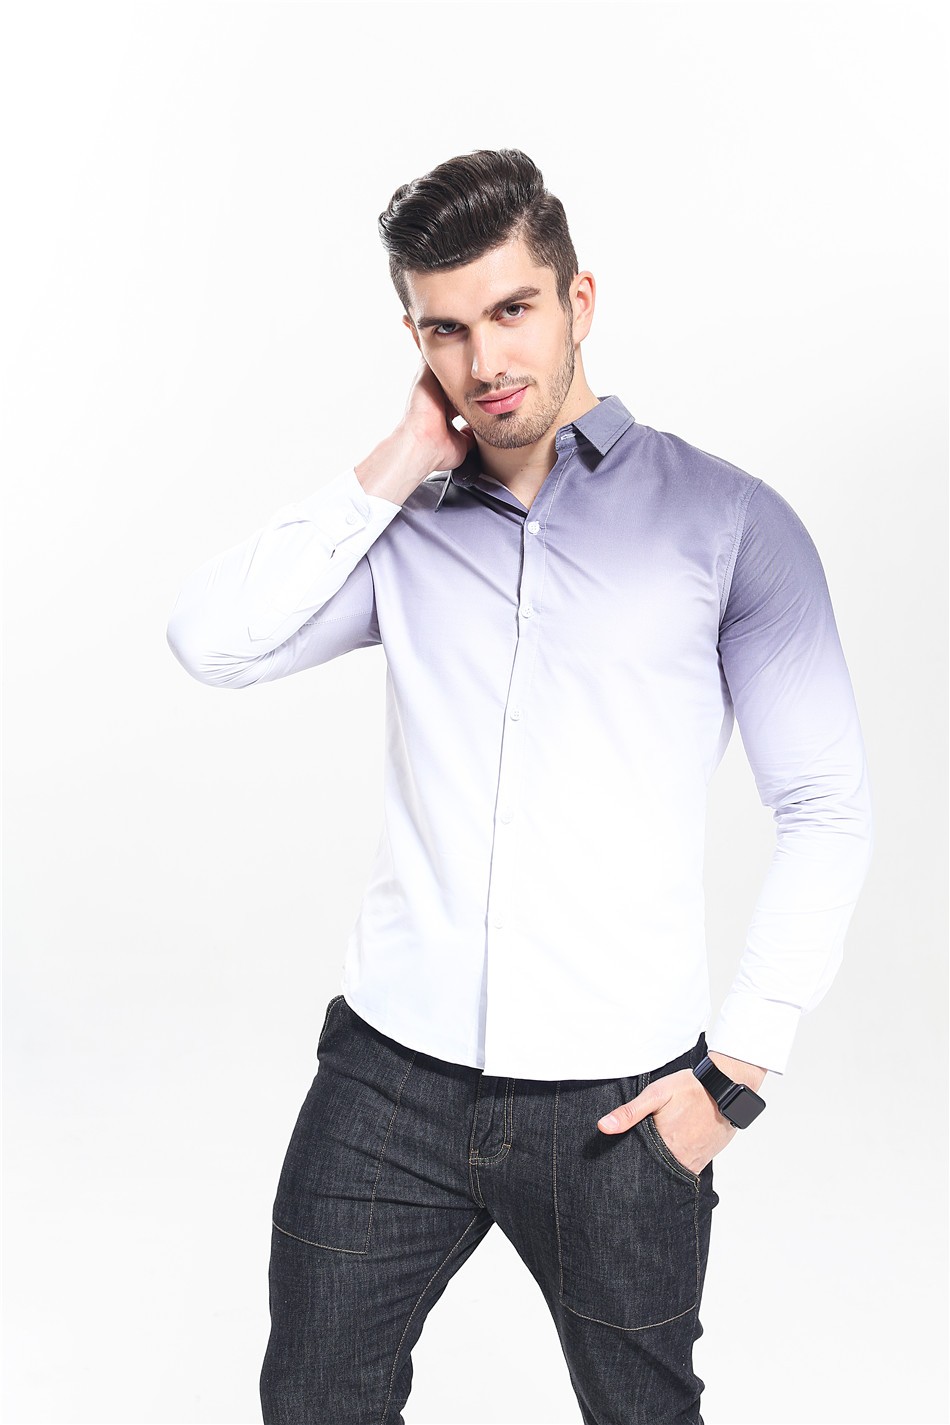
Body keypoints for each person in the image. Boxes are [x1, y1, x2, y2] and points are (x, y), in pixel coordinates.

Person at [166, 148, 873, 1425]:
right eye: (445, 328)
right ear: (414, 341)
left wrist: (734, 1075)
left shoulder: (728, 524)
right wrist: (396, 457)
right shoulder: (403, 528)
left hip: (620, 1112)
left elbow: (823, 808)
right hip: (387, 1084)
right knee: (313, 1402)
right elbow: (210, 642)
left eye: (511, 310)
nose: (484, 359)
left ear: (576, 300)